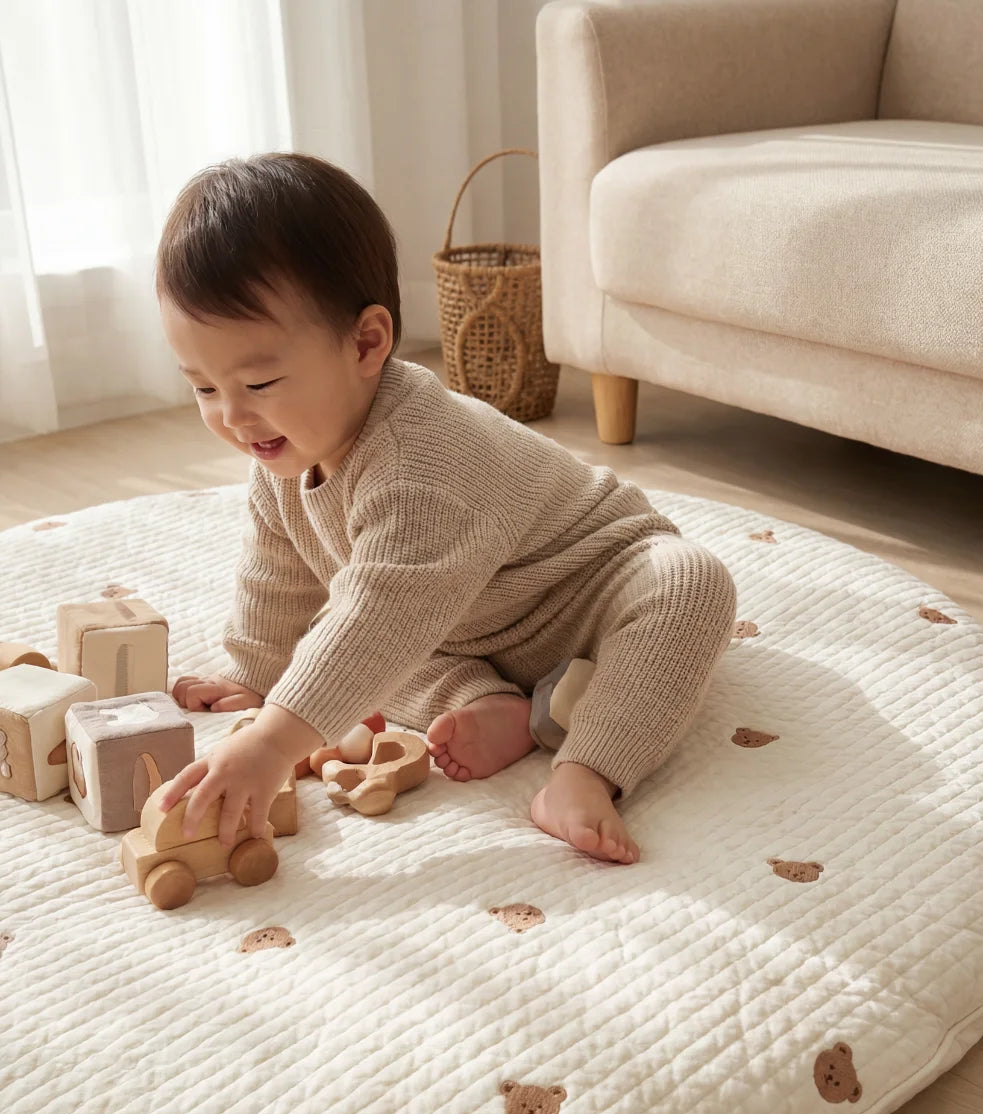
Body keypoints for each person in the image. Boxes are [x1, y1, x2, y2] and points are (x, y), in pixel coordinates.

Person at [155, 153, 736, 866]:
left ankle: (584, 771)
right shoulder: (283, 446)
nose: (233, 416)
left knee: (692, 583)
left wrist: (275, 741)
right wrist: (256, 670)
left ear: (368, 343)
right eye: (204, 390)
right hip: (456, 622)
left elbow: (384, 611)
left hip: (586, 587)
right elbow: (281, 572)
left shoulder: (421, 460)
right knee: (348, 654)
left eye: (259, 381)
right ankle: (498, 706)